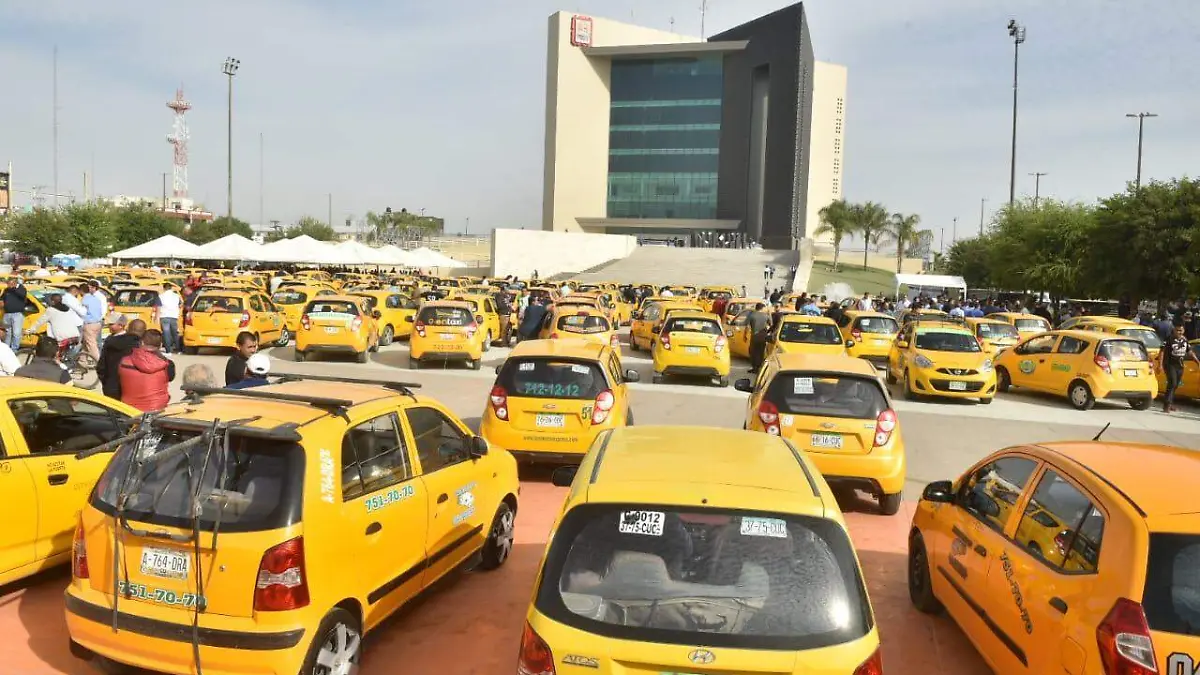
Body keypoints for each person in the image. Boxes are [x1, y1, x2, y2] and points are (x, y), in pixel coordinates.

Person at [118, 329, 175, 412]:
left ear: (142, 342)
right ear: (160, 345)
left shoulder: (123, 361)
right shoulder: (167, 364)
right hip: (156, 410)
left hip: (128, 411)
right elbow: (170, 378)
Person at [98, 318, 145, 399]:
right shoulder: (141, 346)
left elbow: (101, 366)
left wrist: (106, 382)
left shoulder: (110, 342)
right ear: (144, 332)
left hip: (111, 387)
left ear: (128, 328)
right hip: (132, 389)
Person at [28, 293, 83, 359]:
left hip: (63, 337)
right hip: (74, 335)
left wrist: (29, 330)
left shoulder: (51, 310)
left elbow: (39, 322)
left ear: (52, 301)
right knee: (63, 356)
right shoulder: (68, 308)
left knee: (53, 357)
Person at [1161, 324, 1198, 413]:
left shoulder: (1184, 340)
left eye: (1180, 330)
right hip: (1169, 364)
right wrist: (1160, 365)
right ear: (1174, 330)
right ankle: (1167, 405)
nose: (1179, 332)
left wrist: (1197, 361)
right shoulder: (1169, 339)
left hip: (1180, 365)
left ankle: (1170, 403)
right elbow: (1162, 351)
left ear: (1183, 331)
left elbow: (1189, 352)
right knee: (1172, 383)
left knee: (1176, 385)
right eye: (1177, 330)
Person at [152, 282, 183, 354]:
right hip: (174, 316)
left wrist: (156, 318)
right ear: (171, 288)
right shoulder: (176, 296)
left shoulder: (161, 296)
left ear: (164, 288)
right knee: (175, 333)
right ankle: (178, 349)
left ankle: (168, 350)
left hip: (164, 316)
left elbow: (158, 308)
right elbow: (181, 304)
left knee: (166, 333)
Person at [80, 281, 106, 360]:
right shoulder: (96, 297)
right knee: (85, 343)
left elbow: (81, 311)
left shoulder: (88, 298)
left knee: (92, 345)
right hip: (97, 322)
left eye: (90, 287)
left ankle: (99, 363)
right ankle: (82, 361)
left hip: (90, 323)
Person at [2, 278, 28, 352]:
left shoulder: (21, 288)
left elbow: (22, 295)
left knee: (16, 333)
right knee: (7, 333)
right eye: (8, 284)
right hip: (7, 314)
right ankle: (6, 349)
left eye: (9, 284)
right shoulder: (6, 290)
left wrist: (14, 289)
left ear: (14, 283)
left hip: (17, 314)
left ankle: (14, 350)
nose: (8, 286)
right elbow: (3, 299)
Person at [746, 303, 772, 372]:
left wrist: (745, 335)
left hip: (754, 336)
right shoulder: (766, 316)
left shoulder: (751, 315)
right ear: (762, 308)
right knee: (760, 352)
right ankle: (759, 367)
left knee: (753, 352)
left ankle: (754, 368)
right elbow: (771, 325)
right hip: (763, 336)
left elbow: (747, 327)